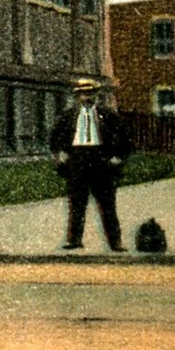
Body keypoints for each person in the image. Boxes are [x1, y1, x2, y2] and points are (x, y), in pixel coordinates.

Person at [48, 77, 132, 251]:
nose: (87, 97)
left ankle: (115, 242)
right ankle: (74, 240)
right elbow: (55, 137)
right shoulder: (69, 116)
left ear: (97, 95)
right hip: (77, 159)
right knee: (77, 203)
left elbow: (125, 138)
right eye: (83, 94)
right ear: (77, 96)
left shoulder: (107, 115)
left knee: (107, 204)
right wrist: (60, 153)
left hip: (101, 159)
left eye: (90, 93)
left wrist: (117, 156)